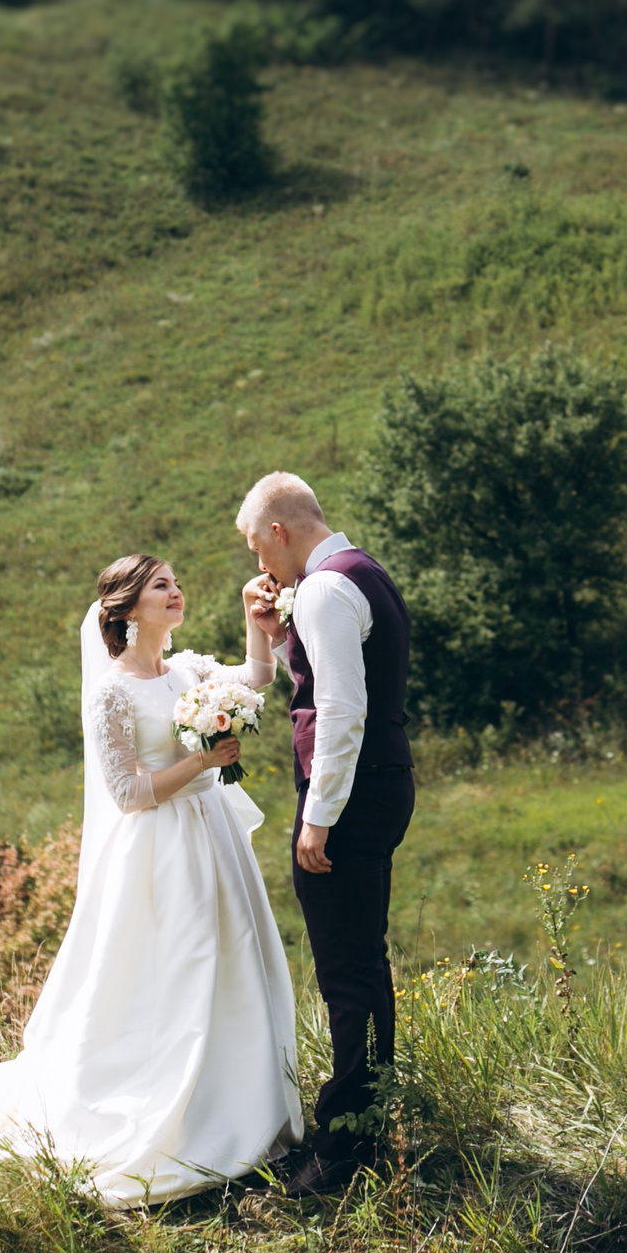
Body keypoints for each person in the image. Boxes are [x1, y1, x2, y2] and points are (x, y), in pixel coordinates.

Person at [0, 555, 301, 1204]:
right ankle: (168, 1109)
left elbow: (257, 677)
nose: (176, 591)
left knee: (231, 964)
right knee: (175, 969)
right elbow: (127, 791)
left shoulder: (187, 671)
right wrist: (202, 761)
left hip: (211, 838)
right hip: (157, 851)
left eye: (176, 582)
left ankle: (239, 1104)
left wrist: (256, 621)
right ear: (126, 608)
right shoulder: (112, 690)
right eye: (161, 585)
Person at [238, 472, 415, 1198]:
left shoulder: (323, 588)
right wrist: (276, 636)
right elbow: (320, 681)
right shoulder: (361, 573)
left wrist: (319, 818)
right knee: (363, 964)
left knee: (346, 971)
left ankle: (346, 1149)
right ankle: (369, 1118)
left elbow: (341, 710)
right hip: (380, 783)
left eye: (257, 547)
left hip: (349, 795)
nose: (259, 567)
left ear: (279, 531)